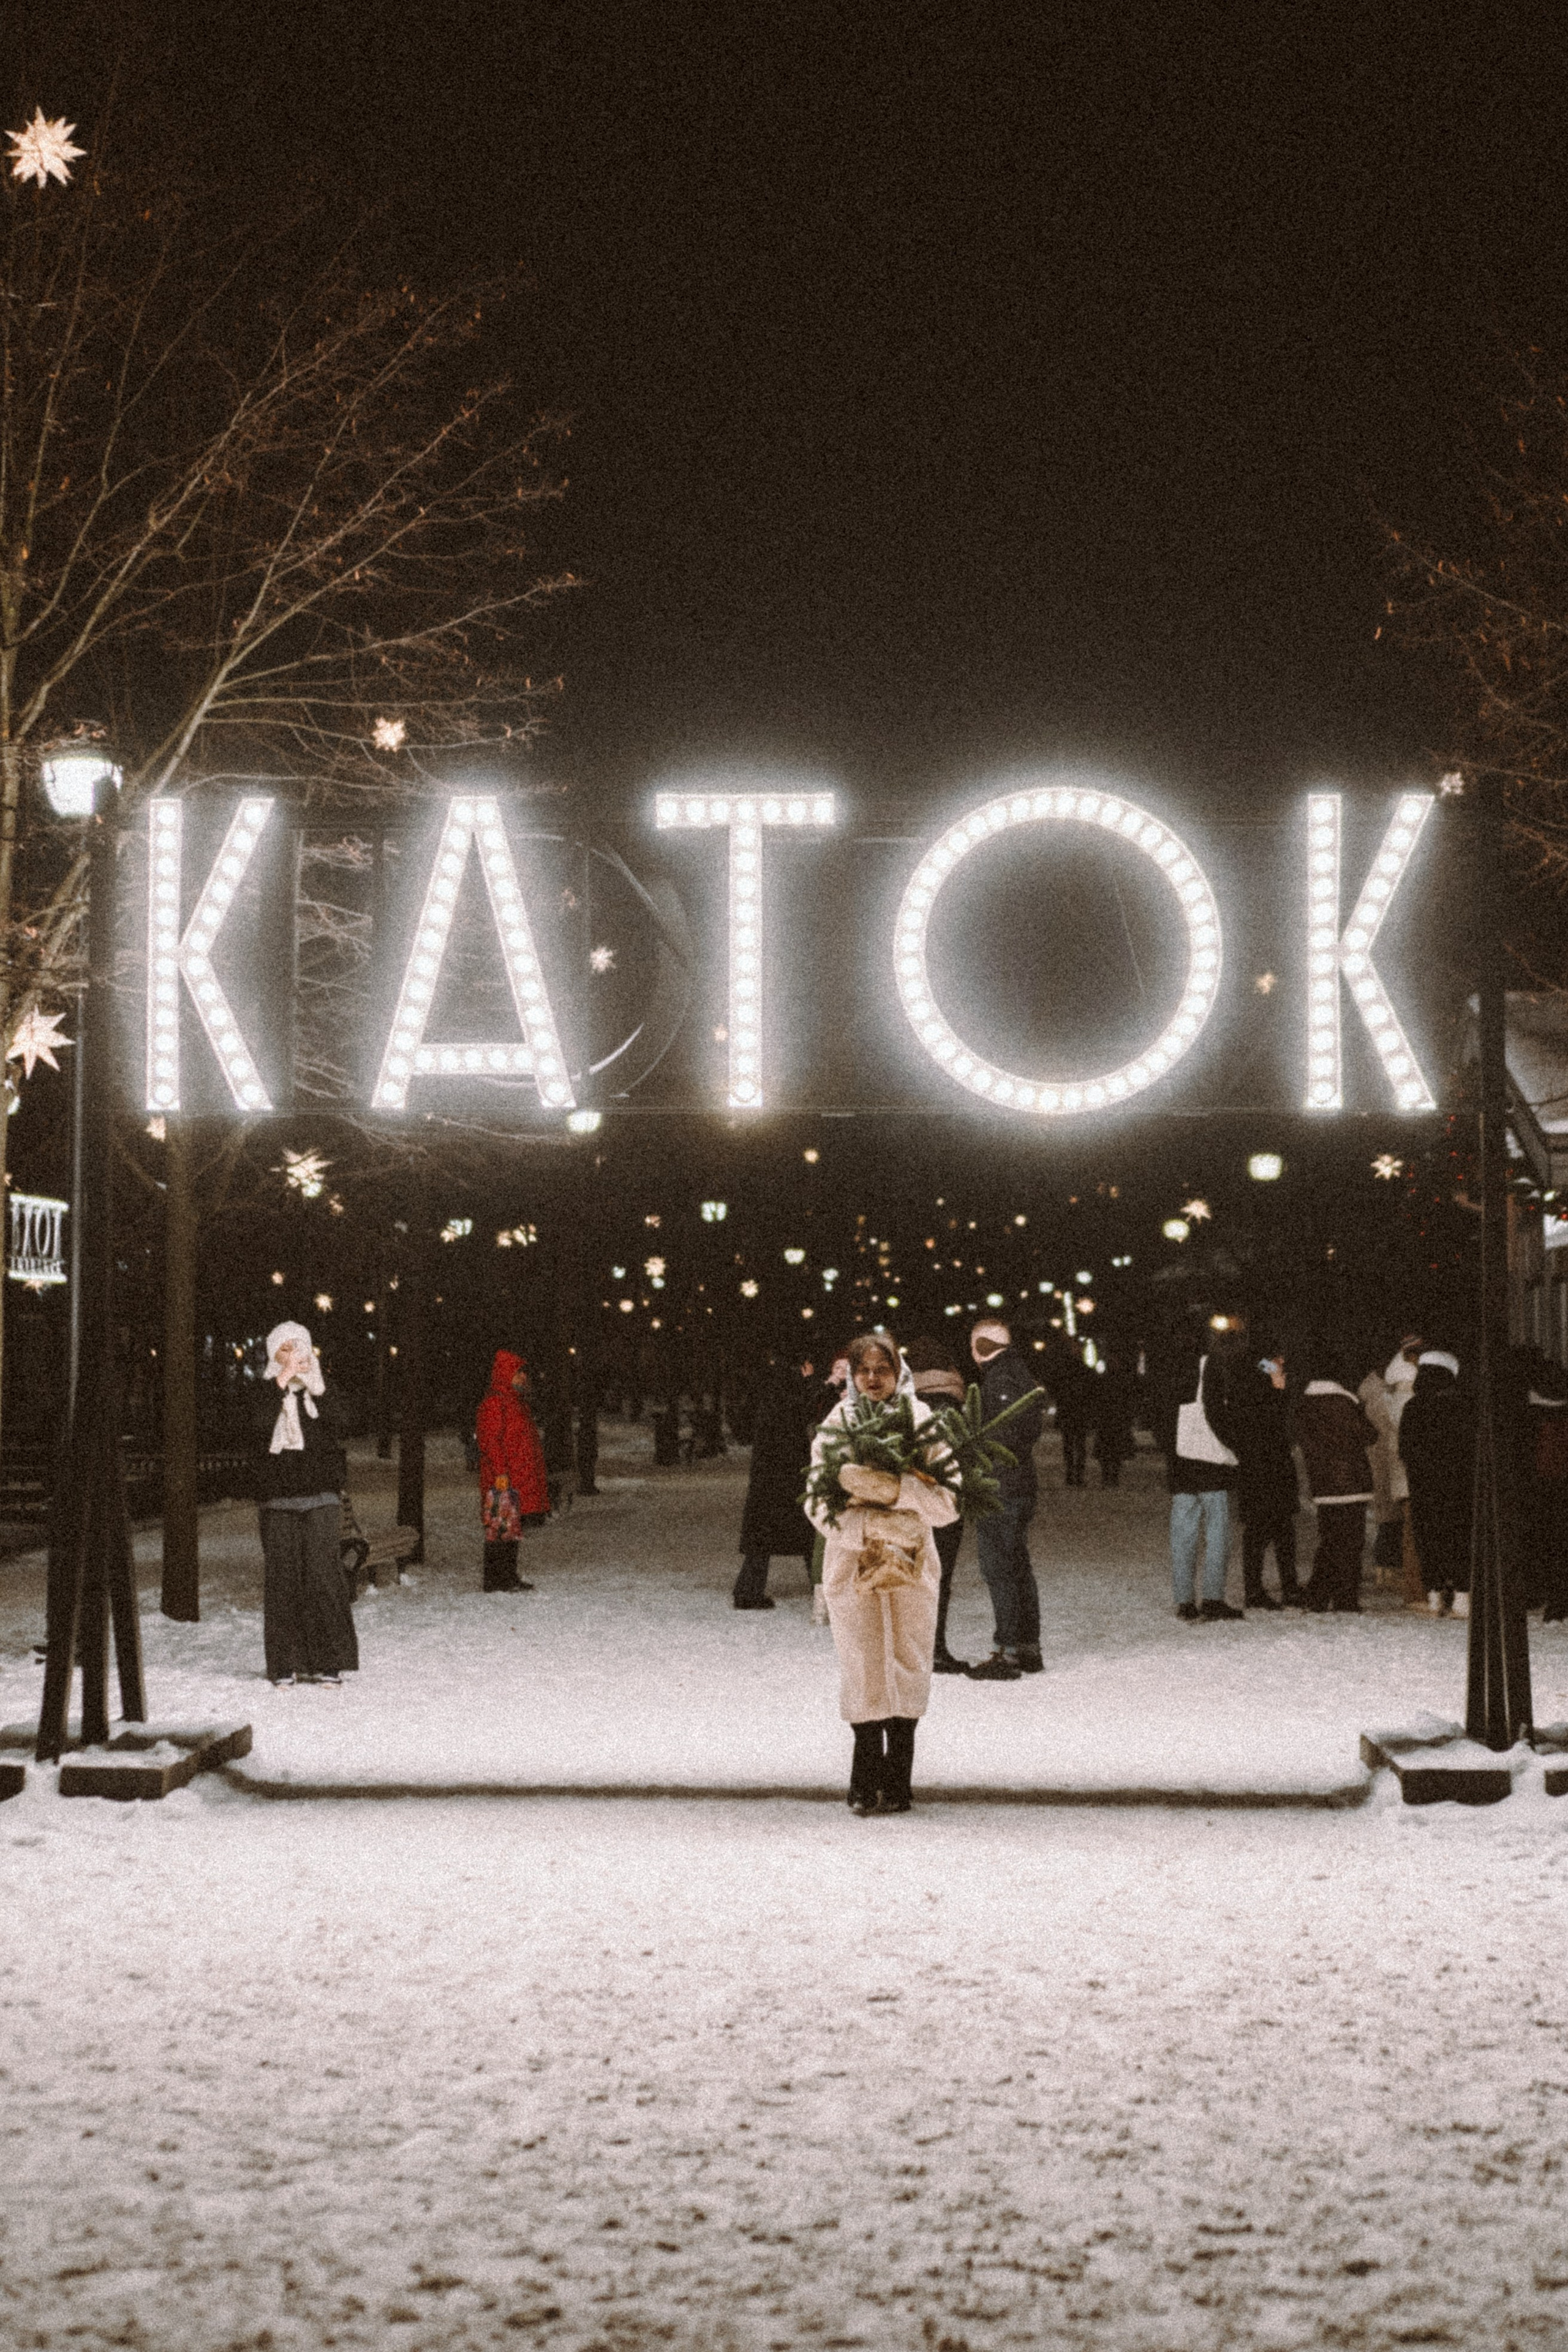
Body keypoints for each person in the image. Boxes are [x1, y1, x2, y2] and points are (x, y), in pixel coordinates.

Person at [805, 1331, 959, 1814]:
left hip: (911, 1569)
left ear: (898, 1373)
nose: (874, 1379)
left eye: (883, 1370)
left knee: (910, 1659)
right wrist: (865, 1525)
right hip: (853, 1569)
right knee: (863, 1663)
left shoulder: (921, 1423)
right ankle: (863, 1774)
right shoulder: (838, 1425)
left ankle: (900, 1779)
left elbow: (949, 1500)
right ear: (853, 1375)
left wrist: (898, 1493)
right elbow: (816, 1501)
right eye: (864, 1371)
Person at [256, 1321, 358, 1687]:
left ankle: (329, 1660)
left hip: (321, 1499)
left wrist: (321, 1390)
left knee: (323, 1578)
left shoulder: (321, 1391)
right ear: (273, 1354)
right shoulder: (265, 1391)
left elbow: (346, 1424)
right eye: (285, 1349)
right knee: (283, 1581)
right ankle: (285, 1662)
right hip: (278, 1501)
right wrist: (278, 1385)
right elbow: (251, 1429)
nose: (294, 1355)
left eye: (300, 1347)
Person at [968, 1319, 1046, 1677]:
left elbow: (1001, 1438)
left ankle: (1009, 1649)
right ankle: (1028, 1647)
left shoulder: (1000, 1381)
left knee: (1000, 1568)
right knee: (1018, 1565)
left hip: (1001, 1487)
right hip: (1019, 1484)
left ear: (981, 1346)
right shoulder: (1021, 1374)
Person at [1153, 1319, 1246, 1620]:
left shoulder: (1167, 1368)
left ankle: (1184, 1600)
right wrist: (1234, 1445)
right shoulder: (1211, 1365)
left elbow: (1158, 1414)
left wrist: (1172, 1447)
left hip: (1180, 1464)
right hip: (1208, 1463)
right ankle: (1213, 1597)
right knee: (1217, 1530)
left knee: (1183, 1533)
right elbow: (1214, 1410)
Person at [903, 1335, 971, 1672]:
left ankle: (908, 1648)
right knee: (939, 1576)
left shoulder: (906, 1399)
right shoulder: (952, 1399)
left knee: (908, 1576)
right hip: (943, 1500)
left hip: (907, 1500)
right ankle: (934, 1648)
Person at [733, 1349, 818, 1608]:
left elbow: (745, 1426)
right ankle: (821, 1587)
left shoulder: (765, 1388)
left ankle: (748, 1591)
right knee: (807, 1531)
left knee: (763, 1536)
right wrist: (811, 1382)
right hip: (791, 1470)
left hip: (767, 1473)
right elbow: (804, 1413)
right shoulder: (791, 1388)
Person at [1294, 1351, 1379, 1611]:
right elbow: (1369, 1435)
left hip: (1323, 1483)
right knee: (1351, 1542)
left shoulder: (1304, 1404)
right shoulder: (1344, 1402)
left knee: (1330, 1540)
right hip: (1351, 1481)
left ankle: (1318, 1596)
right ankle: (1345, 1598)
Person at [1399, 1348, 1474, 1616]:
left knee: (1429, 1537)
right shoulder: (1462, 1406)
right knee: (1459, 1536)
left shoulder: (1413, 1407)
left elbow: (1404, 1450)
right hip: (1458, 1486)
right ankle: (1462, 1595)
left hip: (1423, 1486)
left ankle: (1434, 1593)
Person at [1232, 1342, 1302, 1608]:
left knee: (1278, 1530)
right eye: (1276, 1360)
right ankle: (1261, 1590)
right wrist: (1277, 1388)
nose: (1282, 1363)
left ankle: (1283, 1587)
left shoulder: (1255, 1385)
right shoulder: (1259, 1387)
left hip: (1266, 1468)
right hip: (1264, 1469)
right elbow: (1271, 1422)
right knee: (1264, 1531)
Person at [476, 1349, 549, 1591]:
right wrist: (500, 1473)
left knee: (509, 1528)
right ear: (505, 1375)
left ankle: (507, 1577)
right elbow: (491, 1441)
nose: (523, 1378)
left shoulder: (515, 1403)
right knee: (501, 1529)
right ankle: (497, 1580)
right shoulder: (496, 1403)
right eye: (518, 1374)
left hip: (515, 1475)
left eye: (523, 1374)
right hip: (503, 1477)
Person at [1523, 1352, 1568, 1619]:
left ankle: (1544, 1595)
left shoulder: (1530, 1416)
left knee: (1544, 1544)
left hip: (1540, 1487)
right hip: (1561, 1484)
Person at [1050, 1337, 1093, 1487]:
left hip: (1076, 1411)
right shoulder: (1071, 1368)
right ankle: (1072, 1474)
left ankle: (1077, 1475)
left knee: (1078, 1445)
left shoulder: (1079, 1369)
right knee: (1071, 1445)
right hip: (1071, 1411)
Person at [1091, 1351, 1137, 1487]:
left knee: (1114, 1451)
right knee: (1108, 1451)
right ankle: (1108, 1477)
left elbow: (1129, 1400)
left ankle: (1112, 1477)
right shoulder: (1106, 1381)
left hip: (1116, 1420)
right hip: (1109, 1420)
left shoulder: (1121, 1381)